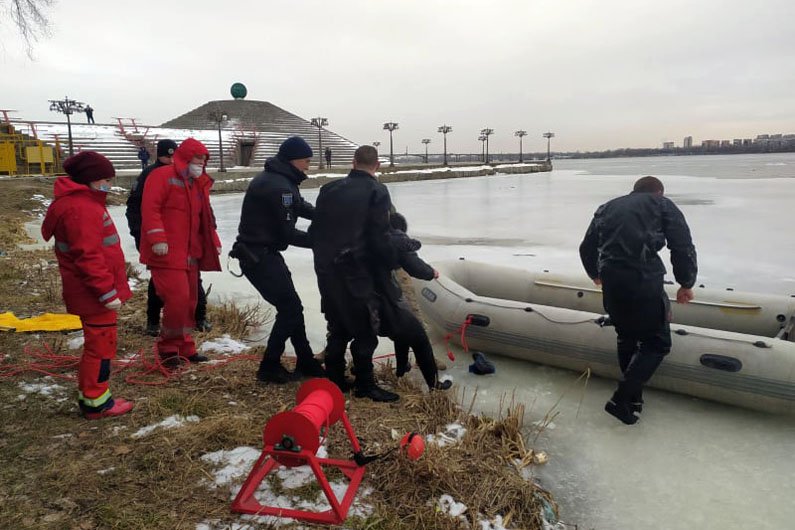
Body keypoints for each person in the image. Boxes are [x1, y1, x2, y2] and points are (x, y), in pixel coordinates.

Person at [579, 176, 697, 425]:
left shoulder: (607, 208)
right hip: (643, 280)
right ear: (659, 192)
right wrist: (686, 283)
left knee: (627, 337)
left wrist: (596, 274)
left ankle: (634, 398)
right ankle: (621, 398)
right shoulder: (662, 205)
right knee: (657, 343)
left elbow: (586, 248)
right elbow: (682, 245)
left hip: (613, 280)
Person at [41, 151, 134, 419]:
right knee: (101, 347)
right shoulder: (81, 208)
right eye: (106, 179)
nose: (109, 184)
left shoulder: (79, 203)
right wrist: (106, 292)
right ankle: (96, 403)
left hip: (89, 292)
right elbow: (88, 256)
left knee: (99, 345)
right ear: (91, 179)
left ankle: (92, 396)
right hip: (93, 294)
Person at [310, 145, 401, 402]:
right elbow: (379, 236)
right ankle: (365, 384)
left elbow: (317, 230)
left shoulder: (328, 189)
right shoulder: (377, 191)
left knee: (337, 326)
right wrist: (392, 262)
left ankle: (335, 379)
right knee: (364, 331)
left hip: (327, 270)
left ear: (353, 162)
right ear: (377, 166)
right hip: (356, 271)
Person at [231, 136, 324, 384]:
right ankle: (269, 366)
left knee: (292, 308)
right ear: (294, 160)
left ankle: (305, 360)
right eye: (306, 161)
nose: (308, 166)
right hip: (259, 257)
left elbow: (299, 205)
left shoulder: (280, 180)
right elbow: (287, 233)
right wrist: (321, 240)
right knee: (291, 309)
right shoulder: (279, 186)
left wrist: (326, 215)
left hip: (263, 254)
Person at [140, 138, 222, 368]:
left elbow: (205, 218)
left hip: (190, 254)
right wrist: (157, 238)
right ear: (186, 157)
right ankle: (167, 349)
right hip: (166, 254)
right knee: (176, 301)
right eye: (198, 159)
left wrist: (213, 240)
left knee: (189, 303)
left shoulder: (198, 184)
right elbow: (150, 207)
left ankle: (185, 347)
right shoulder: (161, 176)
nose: (202, 164)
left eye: (204, 160)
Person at [125, 139, 211, 336]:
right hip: (161, 244)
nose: (171, 159)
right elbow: (144, 208)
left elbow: (204, 215)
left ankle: (194, 326)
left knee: (190, 292)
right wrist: (149, 237)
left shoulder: (194, 180)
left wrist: (211, 241)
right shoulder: (154, 175)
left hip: (186, 248)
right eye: (167, 156)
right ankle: (156, 325)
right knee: (169, 291)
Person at [382, 212, 452, 392]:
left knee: (402, 331)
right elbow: (414, 265)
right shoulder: (393, 238)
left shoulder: (366, 235)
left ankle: (401, 369)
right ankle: (434, 385)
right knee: (418, 336)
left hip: (356, 296)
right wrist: (431, 272)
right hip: (381, 298)